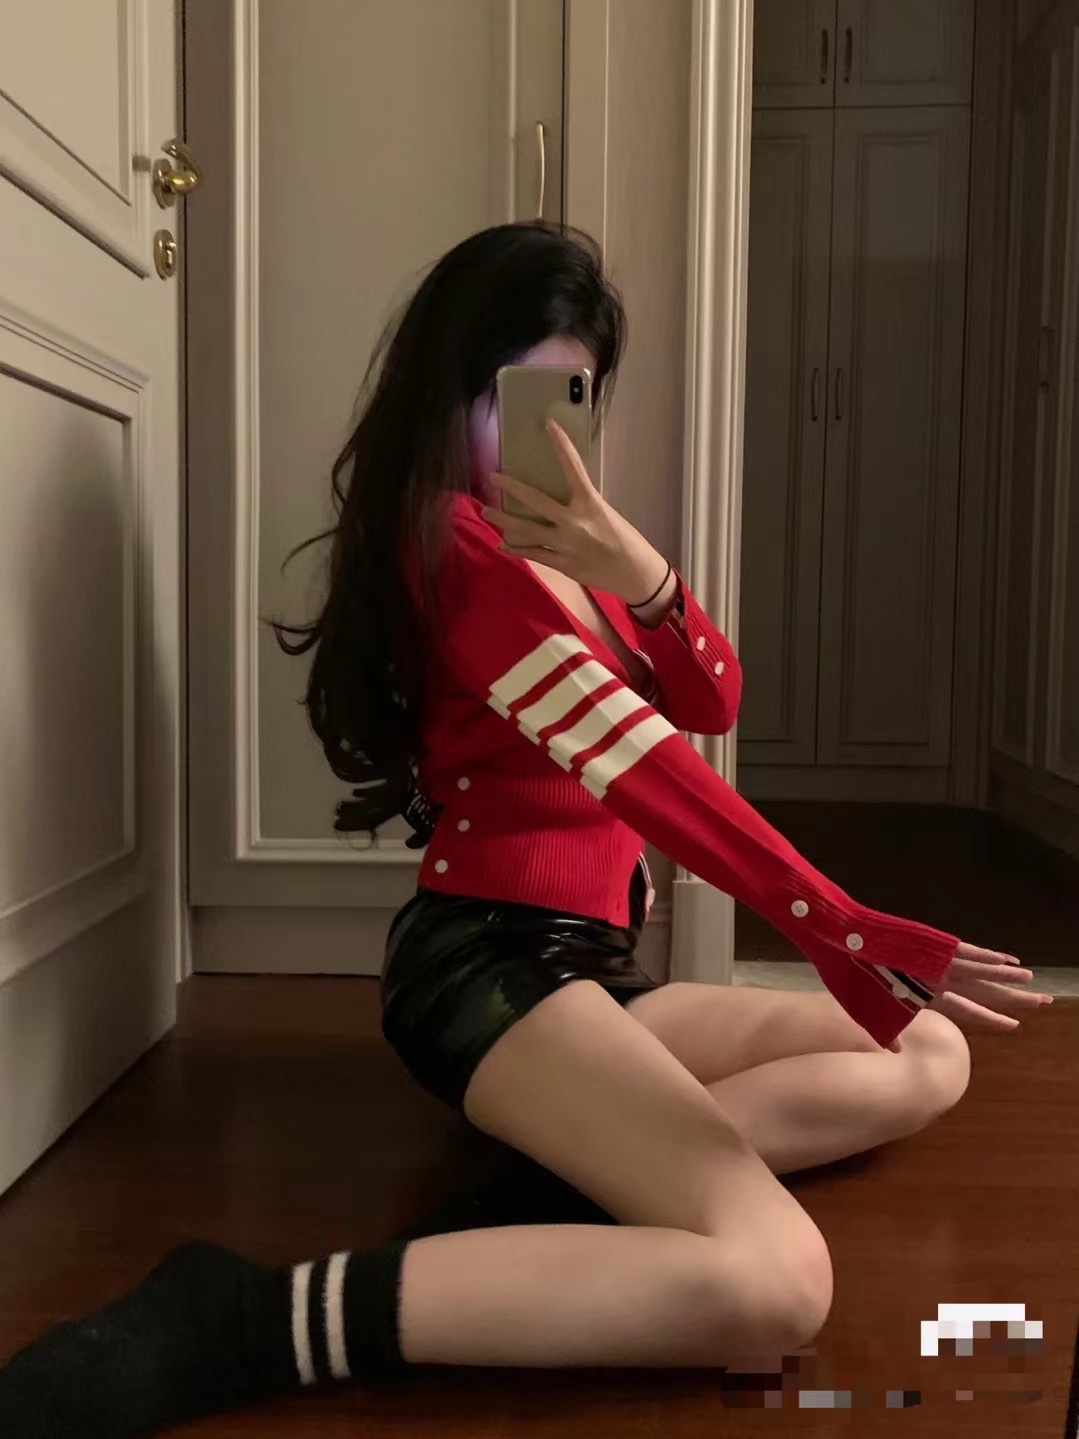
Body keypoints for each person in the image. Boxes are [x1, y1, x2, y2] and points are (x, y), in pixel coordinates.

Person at [0, 221, 1048, 1437]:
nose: (535, 434)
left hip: (591, 971)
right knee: (777, 1283)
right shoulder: (450, 546)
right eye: (509, 397)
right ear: (448, 391)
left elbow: (710, 698)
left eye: (570, 397)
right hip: (487, 969)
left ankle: (560, 1192)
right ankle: (246, 1316)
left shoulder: (570, 550)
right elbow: (645, 764)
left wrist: (641, 574)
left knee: (926, 1053)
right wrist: (836, 923)